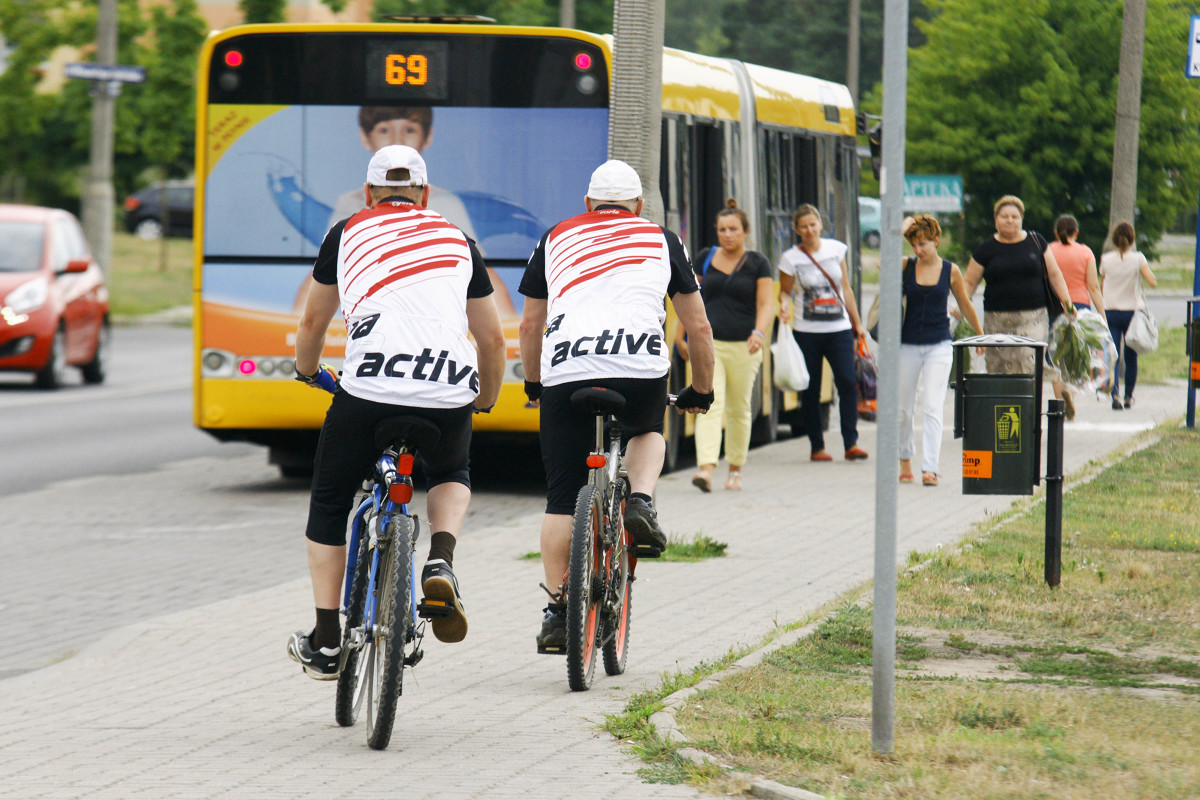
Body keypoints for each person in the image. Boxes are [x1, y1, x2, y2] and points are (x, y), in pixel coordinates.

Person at [287, 145, 506, 679]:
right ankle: (441, 559)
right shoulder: (460, 240)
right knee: (452, 471)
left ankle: (327, 638)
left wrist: (308, 371)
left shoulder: (346, 232)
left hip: (368, 393)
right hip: (447, 392)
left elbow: (312, 324)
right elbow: (492, 339)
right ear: (426, 194)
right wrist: (483, 398)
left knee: (331, 500)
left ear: (368, 193)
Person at [518, 159, 716, 653]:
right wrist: (702, 390)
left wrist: (536, 383)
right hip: (638, 367)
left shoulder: (555, 236)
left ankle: (559, 612)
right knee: (648, 428)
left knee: (563, 498)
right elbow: (699, 327)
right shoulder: (662, 239)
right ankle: (641, 500)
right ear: (639, 207)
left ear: (587, 204)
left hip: (567, 369)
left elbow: (528, 325)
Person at [675, 201, 774, 492]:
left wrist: (759, 332)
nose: (727, 234)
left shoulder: (758, 263)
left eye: (733, 229)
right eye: (722, 230)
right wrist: (681, 335)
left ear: (745, 232)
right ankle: (706, 469)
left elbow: (766, 303)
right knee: (709, 404)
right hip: (709, 345)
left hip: (745, 346)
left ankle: (735, 469)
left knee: (739, 408)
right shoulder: (705, 258)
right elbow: (690, 298)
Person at [962, 195, 1076, 409]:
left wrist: (1067, 303)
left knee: (1027, 362)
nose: (1010, 220)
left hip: (1032, 318)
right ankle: (1004, 409)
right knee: (999, 368)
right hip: (997, 320)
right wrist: (960, 307)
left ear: (1022, 219)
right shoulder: (986, 249)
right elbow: (969, 282)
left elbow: (1054, 274)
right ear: (995, 220)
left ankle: (1026, 410)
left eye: (1015, 216)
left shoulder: (1036, 242)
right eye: (1004, 216)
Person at [895, 214, 982, 487]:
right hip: (907, 345)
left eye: (923, 244)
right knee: (903, 410)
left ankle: (930, 468)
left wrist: (979, 336)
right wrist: (902, 227)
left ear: (936, 240)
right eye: (913, 245)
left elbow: (965, 304)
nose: (918, 250)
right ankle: (905, 458)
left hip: (939, 345)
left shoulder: (950, 270)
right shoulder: (905, 266)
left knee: (933, 406)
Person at [778, 203, 869, 462]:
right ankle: (817, 446)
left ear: (820, 225)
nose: (809, 230)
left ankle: (851, 443)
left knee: (847, 382)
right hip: (806, 331)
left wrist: (857, 324)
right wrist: (783, 307)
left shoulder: (836, 249)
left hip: (838, 328)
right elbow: (785, 291)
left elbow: (846, 289)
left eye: (813, 225)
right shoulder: (790, 258)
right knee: (811, 389)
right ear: (797, 229)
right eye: (803, 226)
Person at [328, 107, 478, 240]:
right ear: (365, 137)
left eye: (409, 130)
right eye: (384, 130)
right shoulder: (347, 203)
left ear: (428, 136)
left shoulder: (447, 205)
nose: (397, 141)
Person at [1100, 220, 1157, 410]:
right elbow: (1152, 282)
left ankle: (1114, 394)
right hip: (1133, 315)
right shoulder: (1138, 259)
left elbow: (1102, 285)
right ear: (1132, 240)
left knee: (1113, 356)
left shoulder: (1106, 259)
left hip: (1111, 312)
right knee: (1131, 358)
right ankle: (1128, 397)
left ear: (1114, 240)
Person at [1049, 214, 1106, 316]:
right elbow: (1094, 288)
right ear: (1076, 233)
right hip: (1080, 305)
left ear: (1056, 233)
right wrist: (1103, 316)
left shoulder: (1048, 251)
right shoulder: (1086, 252)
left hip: (1054, 304)